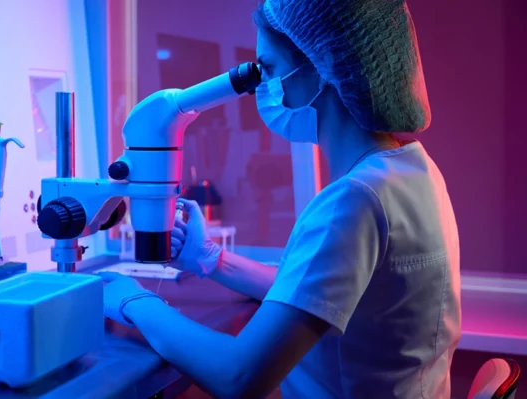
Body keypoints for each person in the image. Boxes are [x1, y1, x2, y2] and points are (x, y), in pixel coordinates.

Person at [99, 0, 461, 398]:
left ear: (322, 67)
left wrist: (131, 299)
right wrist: (210, 258)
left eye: (268, 69)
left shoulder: (356, 201)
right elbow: (311, 292)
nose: (264, 87)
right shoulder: (413, 173)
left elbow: (238, 377)